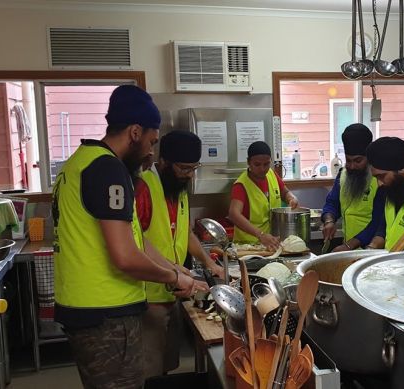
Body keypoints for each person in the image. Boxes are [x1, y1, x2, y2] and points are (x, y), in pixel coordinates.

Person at [52, 85, 207, 389]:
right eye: (151, 141)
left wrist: (175, 268)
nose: (151, 152)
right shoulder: (108, 169)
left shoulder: (80, 161)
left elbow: (137, 240)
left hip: (87, 307)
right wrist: (173, 278)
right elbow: (125, 256)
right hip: (105, 311)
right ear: (135, 132)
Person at [134, 130, 225, 378]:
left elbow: (185, 233)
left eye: (194, 168)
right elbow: (135, 241)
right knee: (149, 371)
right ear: (163, 162)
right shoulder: (144, 188)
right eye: (184, 168)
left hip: (173, 290)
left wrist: (209, 263)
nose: (190, 175)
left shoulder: (178, 189)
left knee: (165, 365)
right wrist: (173, 270)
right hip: (148, 296)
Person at [321, 124, 385, 252]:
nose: (352, 166)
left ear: (369, 157)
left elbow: (378, 223)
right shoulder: (343, 175)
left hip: (372, 250)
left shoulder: (380, 180)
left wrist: (349, 245)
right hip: (349, 249)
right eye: (348, 160)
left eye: (358, 161)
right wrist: (329, 221)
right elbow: (332, 203)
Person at [229, 141, 299, 251]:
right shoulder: (241, 185)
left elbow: (284, 192)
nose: (262, 169)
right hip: (247, 247)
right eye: (257, 164)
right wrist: (260, 235)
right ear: (248, 162)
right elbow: (234, 214)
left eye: (266, 164)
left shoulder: (271, 174)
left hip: (270, 244)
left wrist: (291, 198)